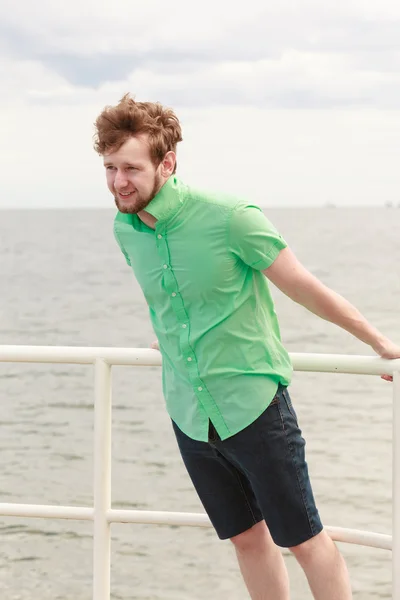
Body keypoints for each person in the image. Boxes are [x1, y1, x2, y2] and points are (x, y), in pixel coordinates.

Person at [93, 93, 399, 600]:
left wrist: (378, 341)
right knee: (244, 539)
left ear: (166, 163)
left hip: (254, 405)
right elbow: (170, 297)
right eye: (109, 167)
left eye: (130, 167)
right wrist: (172, 332)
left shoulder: (231, 216)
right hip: (188, 411)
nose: (118, 181)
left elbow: (302, 285)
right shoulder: (126, 230)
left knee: (303, 539)